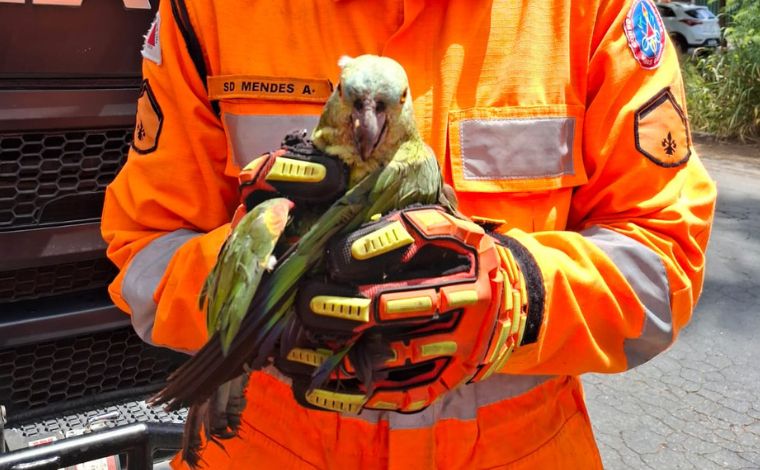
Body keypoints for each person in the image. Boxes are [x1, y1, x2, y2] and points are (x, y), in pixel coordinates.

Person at [101, 0, 716, 467]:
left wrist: (513, 298)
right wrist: (259, 289)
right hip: (261, 444)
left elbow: (663, 262)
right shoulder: (210, 10)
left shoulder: (592, 11)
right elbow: (147, 250)